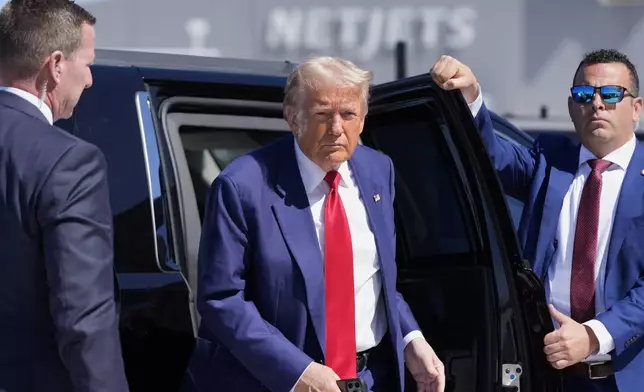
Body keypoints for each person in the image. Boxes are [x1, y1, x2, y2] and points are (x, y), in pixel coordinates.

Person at [182, 56, 445, 392]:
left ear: (363, 119)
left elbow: (378, 279)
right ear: (293, 117)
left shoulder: (378, 171)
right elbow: (222, 299)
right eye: (323, 114)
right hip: (276, 382)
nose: (337, 128)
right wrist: (298, 372)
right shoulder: (243, 185)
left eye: (348, 114)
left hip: (369, 377)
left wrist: (411, 339)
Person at [430, 50, 644, 392]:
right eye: (585, 95)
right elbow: (492, 157)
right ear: (573, 107)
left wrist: (592, 335)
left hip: (623, 374)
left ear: (636, 108)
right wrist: (471, 97)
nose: (597, 104)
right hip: (544, 372)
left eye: (611, 94)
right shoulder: (549, 159)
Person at [0, 1, 129, 391]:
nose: (89, 79)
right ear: (55, 65)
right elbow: (83, 317)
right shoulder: (69, 161)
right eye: (86, 63)